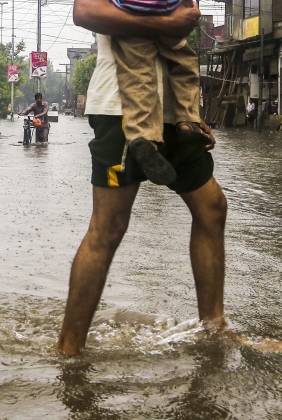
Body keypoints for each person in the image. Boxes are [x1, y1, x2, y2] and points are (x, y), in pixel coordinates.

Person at [56, 0, 227, 356]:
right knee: (109, 227)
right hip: (120, 108)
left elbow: (185, 34)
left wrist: (192, 115)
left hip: (175, 115)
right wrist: (167, 22)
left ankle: (215, 328)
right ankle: (68, 349)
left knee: (212, 208)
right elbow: (86, 12)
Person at [109, 0, 209, 186]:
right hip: (167, 13)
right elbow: (191, 12)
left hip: (130, 15)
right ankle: (188, 120)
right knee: (185, 67)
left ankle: (142, 135)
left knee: (138, 78)